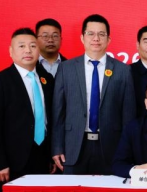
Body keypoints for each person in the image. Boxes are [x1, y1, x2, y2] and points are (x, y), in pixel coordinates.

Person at [0, 28, 54, 192]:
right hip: (12, 160)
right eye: (21, 46)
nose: (28, 50)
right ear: (11, 51)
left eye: (32, 46)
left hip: (42, 155)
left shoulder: (47, 80)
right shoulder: (0, 80)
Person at [52, 14, 136, 175]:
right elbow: (58, 113)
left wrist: (127, 149)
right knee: (73, 191)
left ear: (108, 39)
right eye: (90, 33)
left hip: (111, 147)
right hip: (73, 146)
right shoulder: (66, 68)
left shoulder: (123, 70)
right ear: (82, 38)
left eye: (101, 34)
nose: (96, 38)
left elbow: (128, 115)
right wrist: (57, 147)